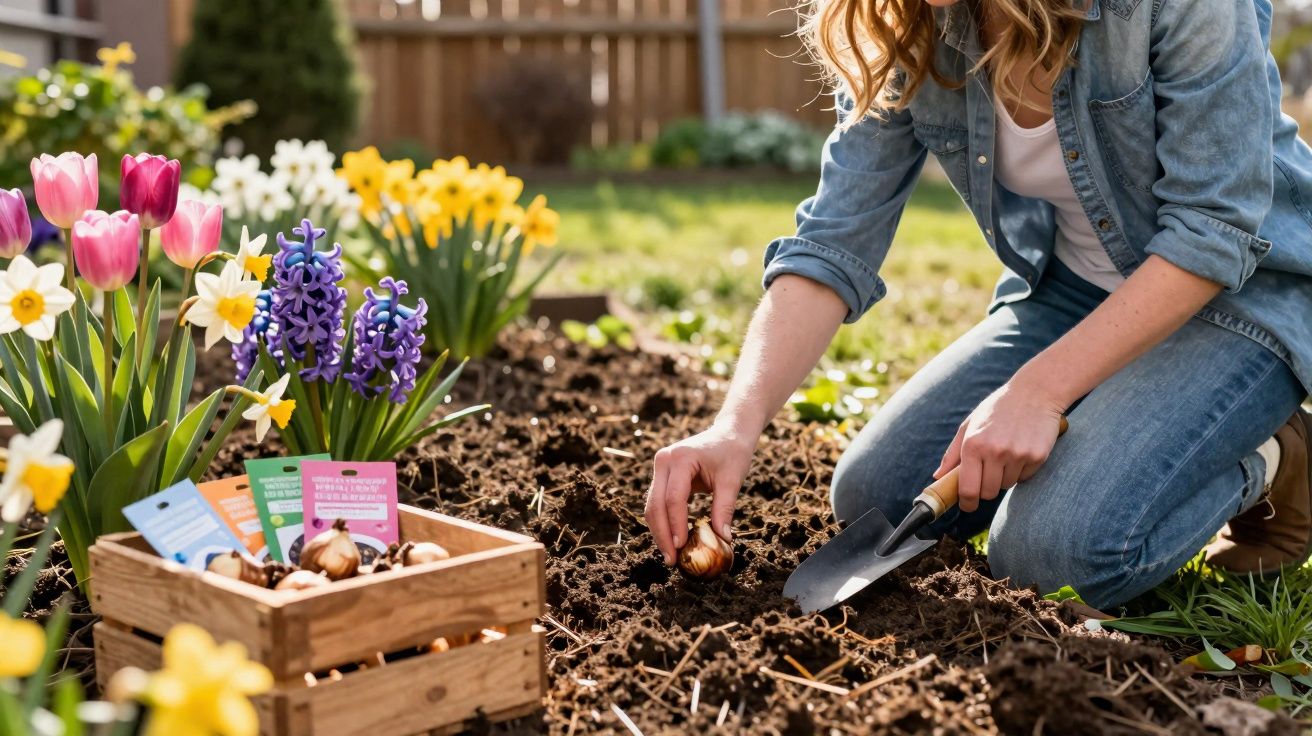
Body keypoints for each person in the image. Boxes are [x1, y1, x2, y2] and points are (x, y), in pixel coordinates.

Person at [643, 0, 1312, 610]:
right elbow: (833, 241)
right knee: (873, 496)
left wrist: (1040, 391)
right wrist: (735, 425)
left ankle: (1276, 455)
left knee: (1048, 557)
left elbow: (1212, 230)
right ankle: (1121, 407)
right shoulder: (910, 21)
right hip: (1075, 294)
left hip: (1244, 298)